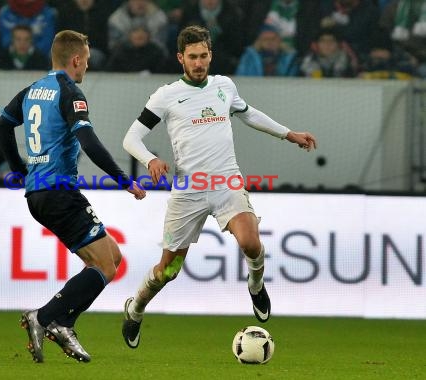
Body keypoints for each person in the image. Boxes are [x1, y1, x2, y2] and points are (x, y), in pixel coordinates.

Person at [121, 25, 317, 349]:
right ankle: (137, 306)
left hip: (227, 181)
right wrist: (150, 159)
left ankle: (256, 285)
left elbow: (248, 114)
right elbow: (131, 138)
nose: (199, 63)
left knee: (251, 243)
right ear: (180, 58)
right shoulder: (165, 95)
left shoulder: (224, 86)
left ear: (210, 55)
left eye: (203, 56)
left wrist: (288, 133)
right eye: (192, 57)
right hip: (189, 189)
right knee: (167, 270)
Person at [0, 30, 146, 363]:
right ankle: (45, 317)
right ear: (76, 60)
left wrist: (19, 170)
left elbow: (1, 128)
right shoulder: (69, 92)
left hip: (38, 194)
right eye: (86, 62)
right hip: (59, 192)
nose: (86, 68)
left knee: (108, 259)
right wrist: (125, 181)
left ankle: (64, 323)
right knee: (107, 263)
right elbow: (89, 143)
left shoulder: (33, 90)